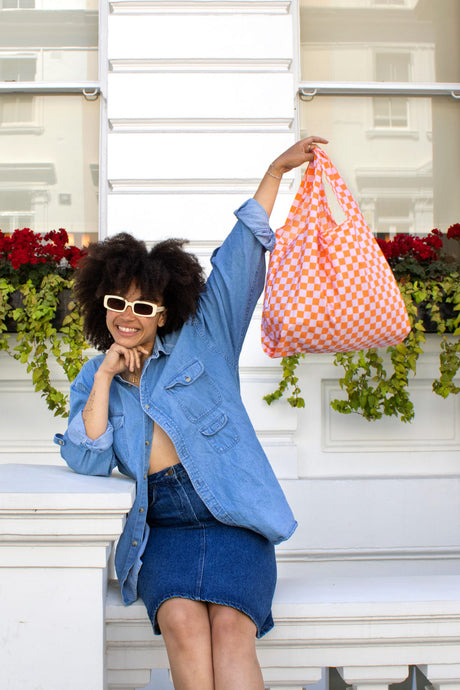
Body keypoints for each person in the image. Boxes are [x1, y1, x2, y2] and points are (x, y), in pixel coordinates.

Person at [54, 135, 328, 690]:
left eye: (142, 306)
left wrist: (275, 172)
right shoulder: (94, 376)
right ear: (99, 304)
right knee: (180, 620)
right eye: (116, 303)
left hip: (231, 517)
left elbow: (239, 261)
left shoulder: (206, 337)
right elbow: (86, 460)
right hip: (165, 529)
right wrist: (106, 375)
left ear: (164, 309)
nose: (127, 317)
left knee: (230, 626)